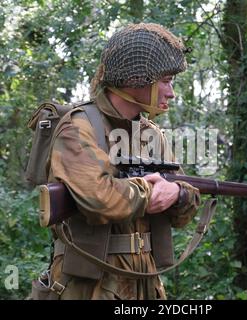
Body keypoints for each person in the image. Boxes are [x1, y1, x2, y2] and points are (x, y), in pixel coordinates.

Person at [44, 23, 200, 300]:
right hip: (90, 285)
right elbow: (98, 199)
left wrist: (177, 193)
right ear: (136, 78)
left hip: (145, 282)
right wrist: (151, 190)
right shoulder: (79, 128)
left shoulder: (151, 135)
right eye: (165, 80)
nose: (171, 92)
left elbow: (183, 214)